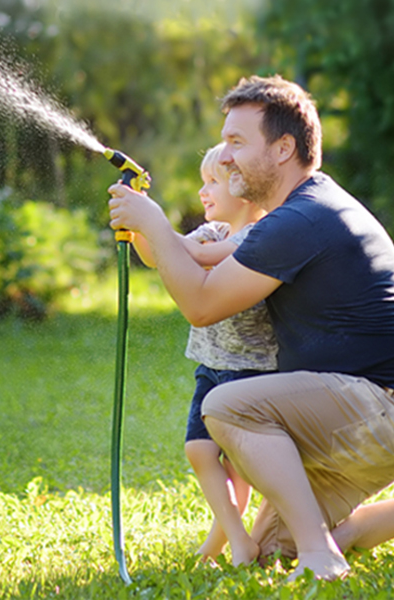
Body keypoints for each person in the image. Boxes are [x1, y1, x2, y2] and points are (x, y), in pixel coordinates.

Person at [107, 75, 394, 581]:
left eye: (236, 143)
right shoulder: (295, 213)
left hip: (380, 411)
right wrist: (152, 231)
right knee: (274, 551)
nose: (225, 158)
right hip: (358, 415)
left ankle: (322, 553)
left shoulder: (303, 218)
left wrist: (156, 224)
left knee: (225, 405)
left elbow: (202, 305)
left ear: (283, 148)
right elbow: (204, 277)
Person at [129, 142, 278, 566]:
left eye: (212, 182)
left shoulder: (257, 236)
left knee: (238, 466)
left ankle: (228, 544)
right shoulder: (211, 231)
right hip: (211, 367)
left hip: (251, 369)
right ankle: (235, 540)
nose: (202, 192)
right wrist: (141, 222)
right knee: (199, 451)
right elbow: (159, 255)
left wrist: (156, 227)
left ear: (244, 189)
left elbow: (195, 255)